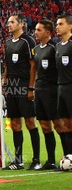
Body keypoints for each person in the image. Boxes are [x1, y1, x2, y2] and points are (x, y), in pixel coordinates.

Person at [2, 15, 41, 170]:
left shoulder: (28, 41)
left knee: (30, 122)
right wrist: (5, 84)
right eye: (8, 22)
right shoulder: (8, 42)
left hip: (24, 84)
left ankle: (36, 160)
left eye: (12, 22)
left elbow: (33, 66)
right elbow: (6, 66)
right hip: (12, 86)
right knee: (16, 124)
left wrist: (31, 88)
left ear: (21, 24)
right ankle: (18, 161)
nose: (8, 24)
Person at [33, 19, 65, 170]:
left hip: (52, 90)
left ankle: (67, 157)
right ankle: (51, 160)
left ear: (47, 32)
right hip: (39, 90)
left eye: (39, 30)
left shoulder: (54, 47)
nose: (35, 32)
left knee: (59, 125)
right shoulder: (37, 49)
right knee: (45, 126)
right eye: (36, 29)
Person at [55, 15, 72, 158]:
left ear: (70, 26)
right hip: (61, 88)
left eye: (61, 24)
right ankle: (68, 157)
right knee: (65, 124)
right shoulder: (58, 46)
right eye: (56, 24)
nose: (57, 26)